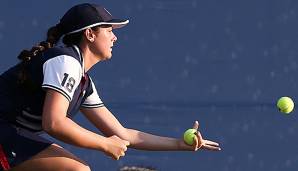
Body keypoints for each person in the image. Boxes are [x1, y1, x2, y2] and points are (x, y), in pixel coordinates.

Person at [0, 3, 221, 171]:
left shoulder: (83, 82)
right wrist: (104, 145)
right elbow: (54, 122)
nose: (115, 37)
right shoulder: (66, 62)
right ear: (89, 34)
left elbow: (124, 134)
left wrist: (179, 144)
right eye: (109, 30)